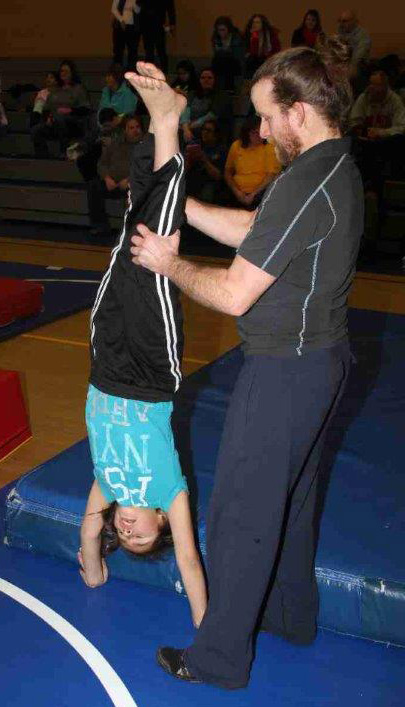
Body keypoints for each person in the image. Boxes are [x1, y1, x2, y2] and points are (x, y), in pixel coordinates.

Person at [129, 42, 363, 688]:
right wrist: (182, 208)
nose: (259, 130)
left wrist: (167, 263)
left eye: (265, 116)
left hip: (285, 371)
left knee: (241, 512)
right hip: (319, 362)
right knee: (289, 503)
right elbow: (257, 228)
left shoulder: (310, 177)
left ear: (298, 110)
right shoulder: (329, 167)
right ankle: (290, 617)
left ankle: (219, 659)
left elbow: (234, 291)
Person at [79, 62, 207, 630]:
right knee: (154, 247)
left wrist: (93, 567)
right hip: (154, 372)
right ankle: (167, 125)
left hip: (105, 363)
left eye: (121, 538)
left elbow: (88, 531)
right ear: (159, 518)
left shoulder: (107, 487)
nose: (127, 532)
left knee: (134, 228)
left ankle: (160, 126)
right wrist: (206, 628)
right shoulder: (168, 489)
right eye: (141, 536)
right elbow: (188, 558)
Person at [86, 113, 143, 236]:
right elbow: (102, 163)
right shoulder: (115, 144)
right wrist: (107, 178)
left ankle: (132, 229)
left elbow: (147, 169)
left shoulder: (145, 146)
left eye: (137, 127)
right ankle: (100, 225)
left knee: (136, 190)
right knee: (93, 186)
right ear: (125, 130)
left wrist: (129, 180)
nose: (135, 131)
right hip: (112, 182)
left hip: (134, 183)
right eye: (131, 128)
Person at [350, 70, 405, 188]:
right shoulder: (363, 98)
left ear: (385, 87)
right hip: (366, 143)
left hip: (386, 144)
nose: (372, 88)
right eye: (371, 84)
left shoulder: (395, 100)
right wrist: (365, 132)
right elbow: (354, 122)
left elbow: (401, 127)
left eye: (376, 85)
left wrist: (381, 133)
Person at [31, 60, 91, 158]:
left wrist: (70, 110)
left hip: (73, 123)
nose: (63, 73)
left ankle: (63, 152)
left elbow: (86, 109)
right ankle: (42, 156)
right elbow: (46, 109)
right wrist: (48, 118)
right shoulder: (55, 90)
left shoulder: (79, 89)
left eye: (66, 71)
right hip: (54, 122)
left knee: (60, 119)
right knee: (36, 130)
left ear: (72, 73)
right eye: (62, 71)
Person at [224, 114, 281, 208]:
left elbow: (271, 176)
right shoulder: (236, 146)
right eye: (255, 132)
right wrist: (236, 191)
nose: (260, 136)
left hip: (259, 192)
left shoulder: (269, 147)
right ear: (247, 132)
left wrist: (253, 194)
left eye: (262, 132)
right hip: (236, 191)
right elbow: (227, 172)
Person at [185, 118, 227, 204]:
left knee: (207, 191)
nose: (204, 132)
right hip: (193, 179)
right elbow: (185, 170)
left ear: (216, 134)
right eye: (203, 129)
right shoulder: (197, 145)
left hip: (211, 183)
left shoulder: (221, 150)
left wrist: (204, 159)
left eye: (208, 130)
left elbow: (218, 176)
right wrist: (189, 158)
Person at [337, 10, 371, 93]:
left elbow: (357, 58)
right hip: (344, 64)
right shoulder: (341, 31)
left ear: (354, 21)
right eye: (340, 21)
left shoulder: (363, 35)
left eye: (344, 21)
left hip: (360, 66)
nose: (341, 24)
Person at [139, 0, 176, 74]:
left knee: (160, 50)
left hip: (159, 25)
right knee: (149, 51)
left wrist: (172, 23)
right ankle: (149, 72)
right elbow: (139, 6)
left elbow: (170, 8)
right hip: (147, 25)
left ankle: (164, 72)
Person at [211, 16, 244, 91]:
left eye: (223, 30)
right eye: (219, 30)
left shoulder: (236, 38)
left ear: (229, 29)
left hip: (234, 66)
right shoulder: (216, 38)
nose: (221, 32)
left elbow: (238, 57)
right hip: (220, 66)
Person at [244, 14, 281, 79]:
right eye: (253, 22)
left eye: (257, 22)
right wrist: (254, 37)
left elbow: (276, 50)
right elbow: (253, 53)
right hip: (253, 61)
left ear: (263, 24)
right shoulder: (248, 35)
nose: (254, 24)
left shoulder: (271, 35)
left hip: (268, 60)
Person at [111, 0, 141, 70]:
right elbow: (113, 9)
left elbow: (138, 11)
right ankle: (117, 71)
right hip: (119, 27)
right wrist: (121, 20)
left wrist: (134, 4)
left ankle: (131, 71)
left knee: (132, 51)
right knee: (118, 49)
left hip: (132, 27)